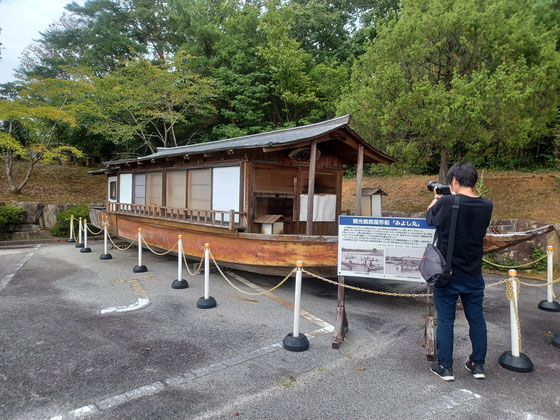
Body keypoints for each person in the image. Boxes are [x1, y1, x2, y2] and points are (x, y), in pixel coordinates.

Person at [426, 162, 493, 381]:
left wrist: (436, 197)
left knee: (446, 321)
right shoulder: (487, 205)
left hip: (448, 274)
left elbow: (429, 218)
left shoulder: (446, 202)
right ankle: (477, 365)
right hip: (473, 273)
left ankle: (445, 367)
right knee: (477, 320)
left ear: (454, 181)